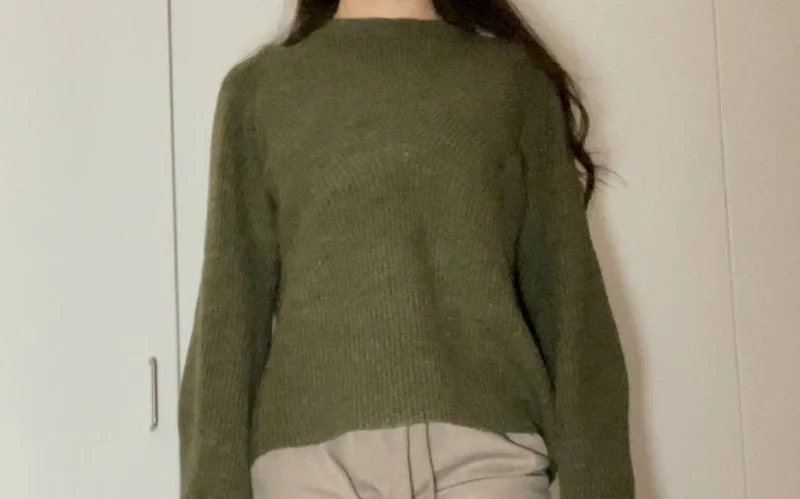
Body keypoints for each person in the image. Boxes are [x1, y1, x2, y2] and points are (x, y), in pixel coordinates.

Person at [178, 0, 635, 498]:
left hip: (483, 464)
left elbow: (574, 317)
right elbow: (228, 323)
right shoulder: (258, 91)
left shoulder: (512, 83)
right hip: (309, 471)